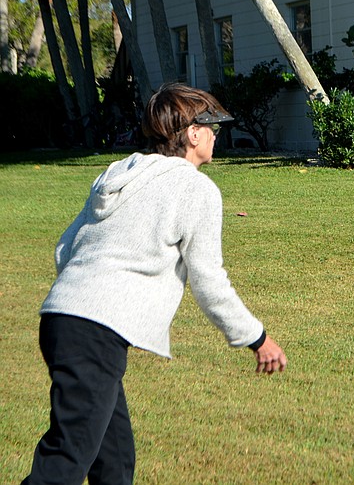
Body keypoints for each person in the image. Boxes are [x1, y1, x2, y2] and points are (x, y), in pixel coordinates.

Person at [23, 83, 287, 484]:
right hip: (96, 331)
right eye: (211, 127)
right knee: (65, 457)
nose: (216, 135)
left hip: (61, 318)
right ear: (193, 134)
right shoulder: (196, 189)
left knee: (114, 459)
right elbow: (209, 280)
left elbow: (66, 247)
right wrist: (258, 338)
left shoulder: (118, 174)